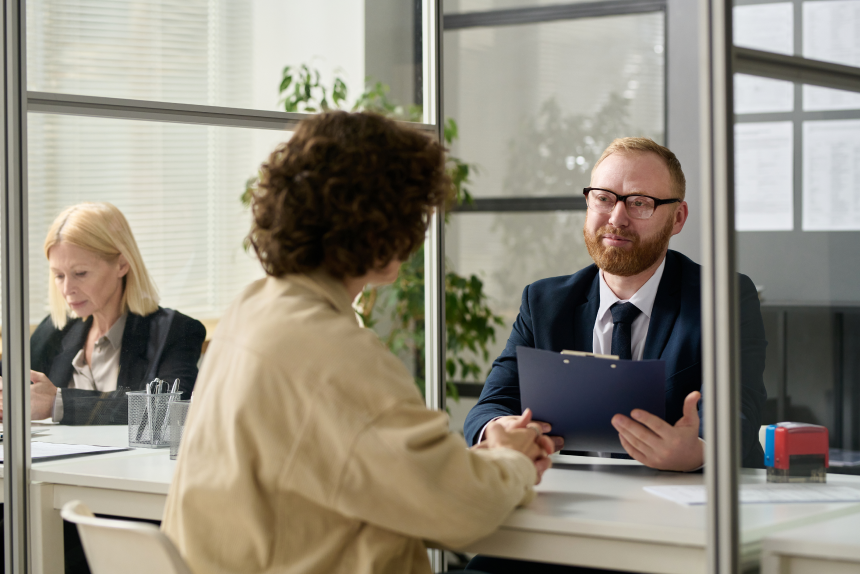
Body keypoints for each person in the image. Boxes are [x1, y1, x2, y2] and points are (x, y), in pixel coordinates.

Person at [161, 111, 554, 574]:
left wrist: (489, 458)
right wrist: (513, 459)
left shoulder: (249, 311)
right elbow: (460, 510)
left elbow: (382, 470)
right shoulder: (333, 349)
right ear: (384, 225)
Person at [464, 137, 767, 471]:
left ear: (678, 218)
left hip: (689, 505)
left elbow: (738, 410)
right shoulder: (544, 303)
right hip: (574, 500)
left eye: (639, 203)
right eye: (604, 199)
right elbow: (491, 405)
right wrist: (497, 430)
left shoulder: (723, 298)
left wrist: (699, 451)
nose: (617, 218)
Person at [0, 202, 206, 425]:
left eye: (80, 273)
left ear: (122, 264)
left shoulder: (176, 331)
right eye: (59, 276)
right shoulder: (54, 329)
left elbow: (166, 410)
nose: (67, 289)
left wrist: (59, 402)